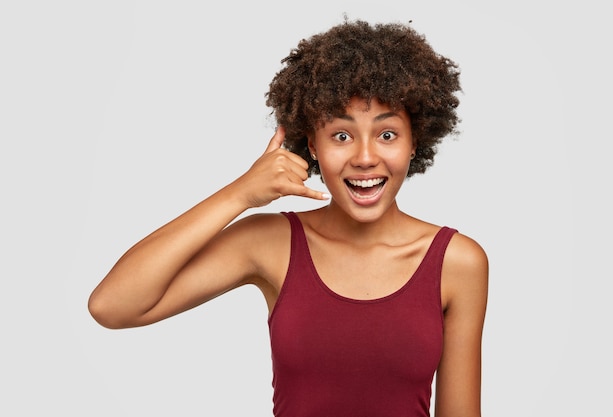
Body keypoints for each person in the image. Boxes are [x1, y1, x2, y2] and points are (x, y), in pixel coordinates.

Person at [88, 19, 488, 417]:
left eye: (387, 134)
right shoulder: (272, 242)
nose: (365, 157)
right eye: (341, 135)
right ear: (311, 144)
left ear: (415, 140)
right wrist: (240, 193)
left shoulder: (457, 262)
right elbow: (113, 305)